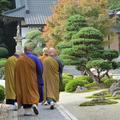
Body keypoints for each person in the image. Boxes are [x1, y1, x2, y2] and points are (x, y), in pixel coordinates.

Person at [14, 44, 43, 115]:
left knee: (25, 94)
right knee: (33, 92)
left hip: (23, 81)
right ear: (31, 50)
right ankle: (34, 104)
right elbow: (40, 69)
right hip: (33, 80)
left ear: (24, 50)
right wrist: (39, 78)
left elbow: (16, 71)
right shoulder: (35, 58)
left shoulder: (19, 59)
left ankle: (27, 111)